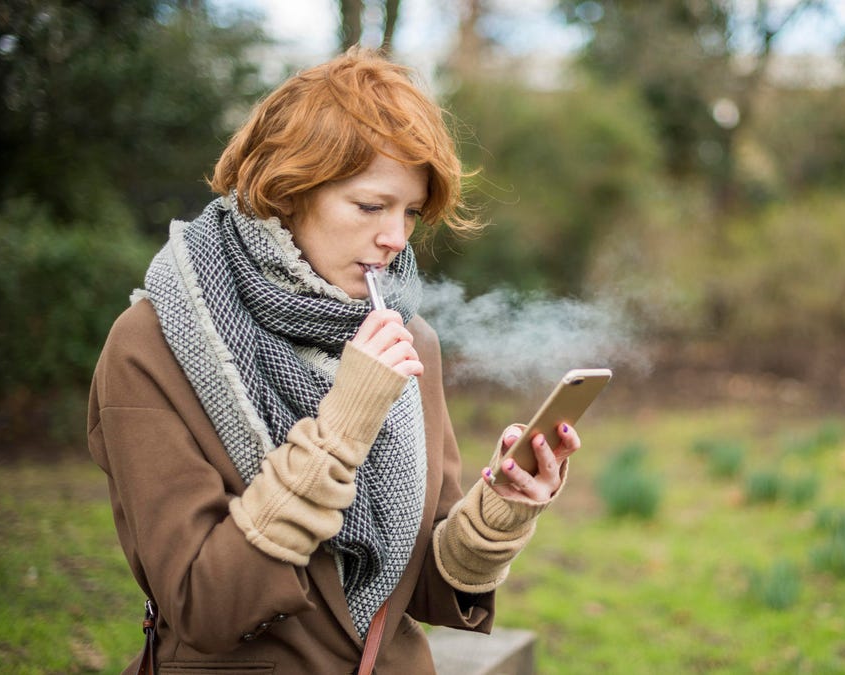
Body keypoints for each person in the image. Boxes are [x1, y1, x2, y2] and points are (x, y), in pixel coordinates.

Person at [87, 46, 581, 673]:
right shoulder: (153, 342)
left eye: (409, 211)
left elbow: (419, 581)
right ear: (288, 192)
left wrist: (501, 508)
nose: (396, 238)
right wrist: (344, 422)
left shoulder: (405, 335)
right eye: (371, 206)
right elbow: (201, 605)